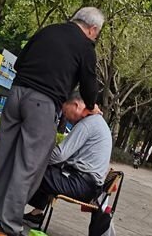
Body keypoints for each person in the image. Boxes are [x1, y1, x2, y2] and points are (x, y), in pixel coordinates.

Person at [0, 7, 104, 236]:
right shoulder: (85, 47)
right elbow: (89, 85)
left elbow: (19, 63)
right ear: (93, 29)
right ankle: (8, 223)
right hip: (42, 103)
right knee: (29, 164)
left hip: (16, 94)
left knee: (4, 155)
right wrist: (92, 104)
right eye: (96, 34)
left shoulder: (48, 30)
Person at [23, 96, 112, 227]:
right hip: (90, 185)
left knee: (32, 169)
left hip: (81, 184)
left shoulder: (87, 124)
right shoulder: (96, 121)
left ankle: (11, 209)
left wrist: (37, 158)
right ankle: (36, 214)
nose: (65, 117)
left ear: (76, 105)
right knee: (46, 170)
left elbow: (60, 154)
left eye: (65, 112)